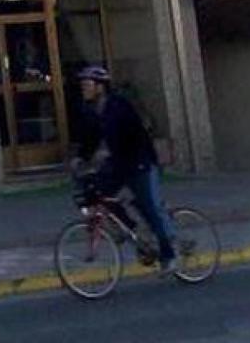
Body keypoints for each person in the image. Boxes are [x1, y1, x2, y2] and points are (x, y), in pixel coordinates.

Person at [71, 65, 177, 275]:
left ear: (100, 87)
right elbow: (91, 138)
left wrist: (110, 153)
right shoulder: (92, 110)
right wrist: (79, 159)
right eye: (82, 85)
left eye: (87, 84)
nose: (84, 88)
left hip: (139, 162)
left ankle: (170, 254)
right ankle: (133, 231)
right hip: (119, 163)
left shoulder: (119, 106)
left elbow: (134, 134)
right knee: (99, 193)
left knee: (150, 208)